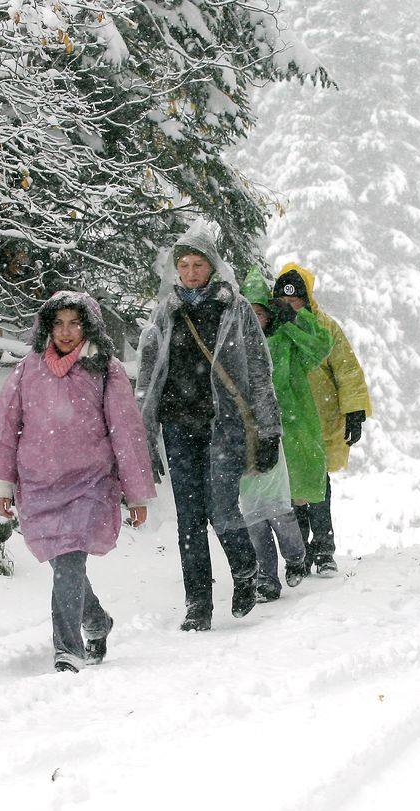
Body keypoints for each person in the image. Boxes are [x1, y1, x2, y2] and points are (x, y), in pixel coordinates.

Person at [0, 291, 154, 672]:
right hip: (38, 484)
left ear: (88, 327)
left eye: (74, 323)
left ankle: (67, 650)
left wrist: (136, 493)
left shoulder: (106, 369)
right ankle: (96, 621)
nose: (66, 332)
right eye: (58, 324)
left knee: (70, 562)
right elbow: (5, 426)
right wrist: (3, 485)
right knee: (63, 567)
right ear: (47, 327)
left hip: (89, 482)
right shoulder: (28, 369)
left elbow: (126, 431)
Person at [136, 226, 281, 631]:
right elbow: (147, 379)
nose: (191, 272)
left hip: (224, 425)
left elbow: (259, 371)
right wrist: (144, 439)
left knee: (220, 507)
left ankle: (244, 568)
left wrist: (269, 430)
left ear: (213, 267)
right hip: (177, 425)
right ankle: (198, 602)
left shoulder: (234, 310)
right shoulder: (164, 312)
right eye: (184, 265)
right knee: (188, 517)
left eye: (198, 264)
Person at [272, 263, 372, 576]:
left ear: (307, 298)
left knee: (318, 486)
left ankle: (324, 548)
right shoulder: (272, 328)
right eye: (283, 300)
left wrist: (354, 410)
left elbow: (346, 369)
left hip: (320, 421)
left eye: (296, 299)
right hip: (288, 424)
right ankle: (300, 552)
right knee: (292, 492)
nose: (289, 305)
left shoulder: (324, 327)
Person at [240, 267, 333, 601]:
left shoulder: (286, 340)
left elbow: (323, 346)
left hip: (290, 430)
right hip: (247, 437)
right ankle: (267, 575)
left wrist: (293, 321)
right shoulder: (232, 347)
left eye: (260, 311)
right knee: (253, 509)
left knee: (283, 504)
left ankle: (299, 555)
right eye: (247, 311)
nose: (254, 318)